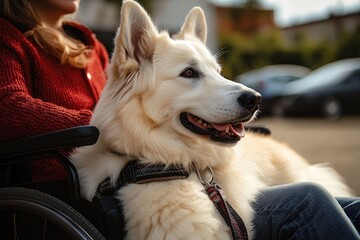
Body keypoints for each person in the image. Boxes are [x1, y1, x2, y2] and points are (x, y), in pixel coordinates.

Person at [0, 1, 359, 240]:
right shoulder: (8, 36)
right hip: (70, 194)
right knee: (308, 202)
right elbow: (8, 107)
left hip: (136, 165)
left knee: (349, 208)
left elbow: (127, 102)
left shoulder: (87, 41)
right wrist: (105, 128)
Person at [0, 0, 108, 183]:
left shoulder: (92, 46)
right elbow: (7, 107)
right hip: (57, 193)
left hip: (107, 183)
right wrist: (99, 125)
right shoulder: (7, 37)